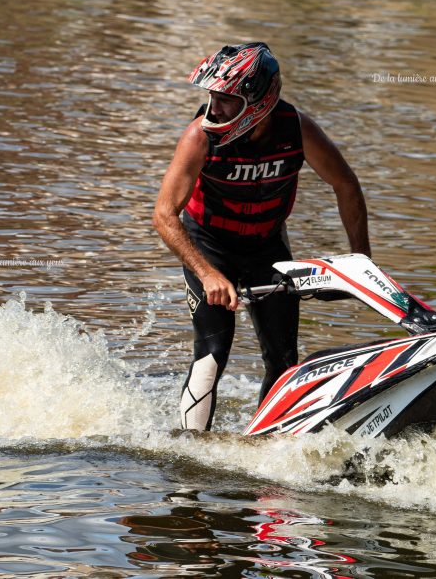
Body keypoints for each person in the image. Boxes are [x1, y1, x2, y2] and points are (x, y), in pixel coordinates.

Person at [153, 42, 371, 431]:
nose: (213, 109)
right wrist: (208, 275)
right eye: (210, 97)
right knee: (213, 351)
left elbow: (346, 186)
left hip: (267, 247)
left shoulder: (298, 130)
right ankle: (187, 459)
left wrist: (361, 261)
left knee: (284, 357)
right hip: (209, 247)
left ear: (258, 100)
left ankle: (266, 448)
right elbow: (165, 216)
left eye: (224, 99)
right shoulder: (199, 137)